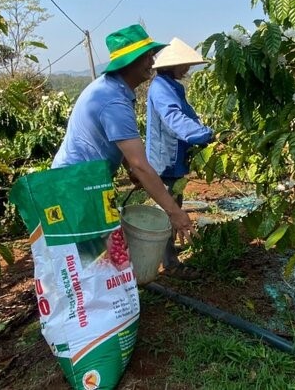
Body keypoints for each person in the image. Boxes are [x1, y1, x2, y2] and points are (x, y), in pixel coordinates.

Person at [52, 24, 195, 245]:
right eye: (147, 56)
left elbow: (125, 153)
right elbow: (140, 163)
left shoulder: (112, 90)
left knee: (108, 250)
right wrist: (175, 213)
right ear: (130, 61)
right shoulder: (113, 101)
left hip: (88, 180)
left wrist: (130, 170)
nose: (152, 62)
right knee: (94, 255)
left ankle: (133, 280)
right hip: (76, 184)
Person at [146, 37, 213, 278]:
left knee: (175, 205)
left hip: (175, 157)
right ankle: (170, 263)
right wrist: (206, 135)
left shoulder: (172, 86)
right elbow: (175, 120)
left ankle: (168, 254)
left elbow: (188, 116)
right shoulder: (161, 88)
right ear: (172, 65)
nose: (187, 69)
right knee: (169, 209)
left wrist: (202, 128)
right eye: (183, 64)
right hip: (165, 159)